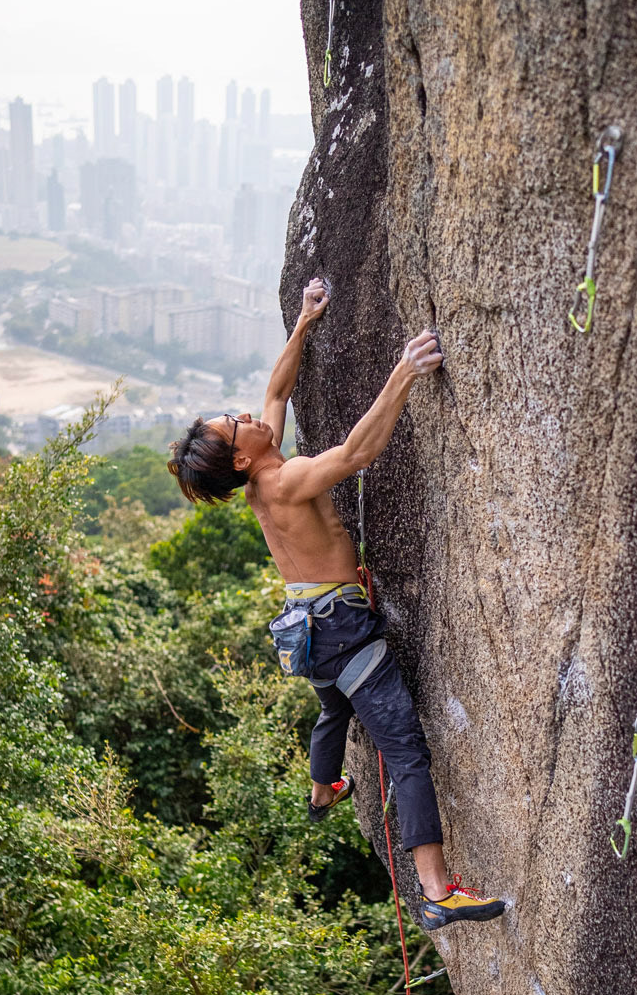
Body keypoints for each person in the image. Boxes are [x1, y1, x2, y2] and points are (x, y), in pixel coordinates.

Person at [167, 278, 506, 932]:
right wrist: (405, 372)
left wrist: (303, 324)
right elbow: (356, 452)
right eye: (235, 421)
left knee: (332, 709)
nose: (247, 411)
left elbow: (277, 390)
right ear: (242, 454)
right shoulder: (287, 479)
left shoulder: (259, 483)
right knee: (404, 751)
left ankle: (324, 787)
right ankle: (437, 889)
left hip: (308, 636)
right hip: (344, 631)